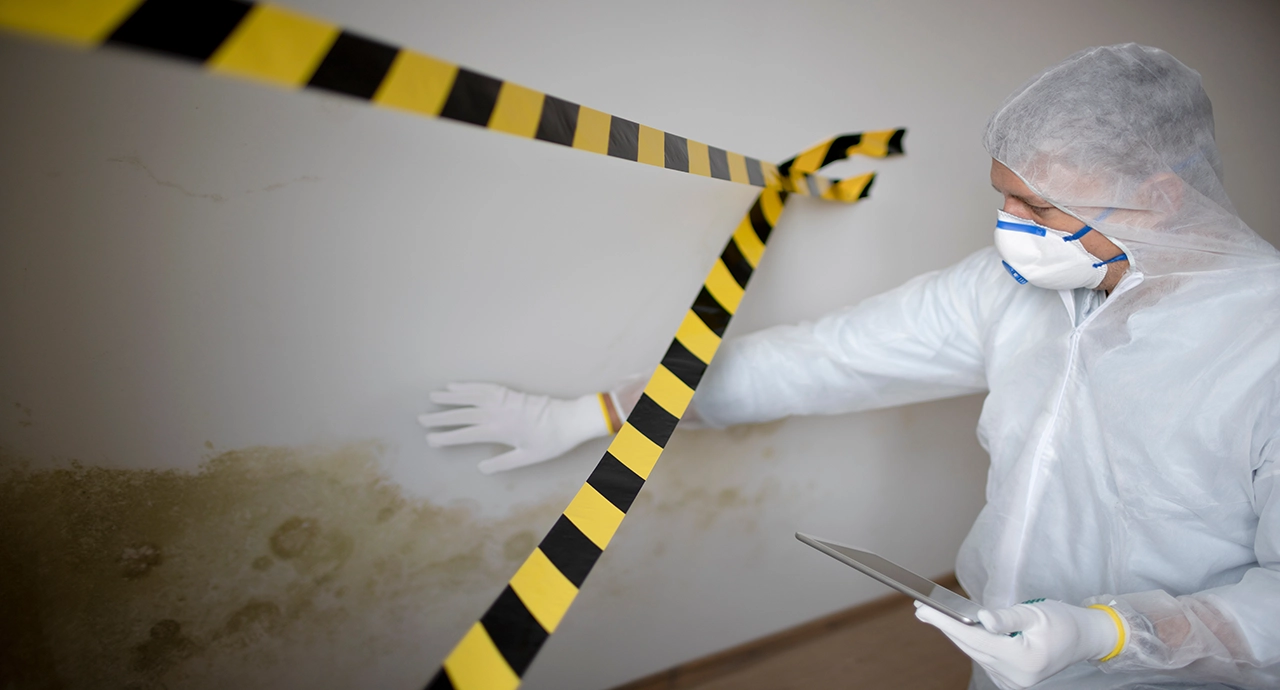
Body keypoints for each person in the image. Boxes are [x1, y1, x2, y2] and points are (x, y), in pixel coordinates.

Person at [417, 44, 1280, 689]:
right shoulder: (1012, 289)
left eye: (1038, 205)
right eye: (1003, 195)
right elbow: (823, 359)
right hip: (1008, 661)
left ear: (1162, 197)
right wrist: (600, 412)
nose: (1010, 225)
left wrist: (1107, 636)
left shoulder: (1263, 344)